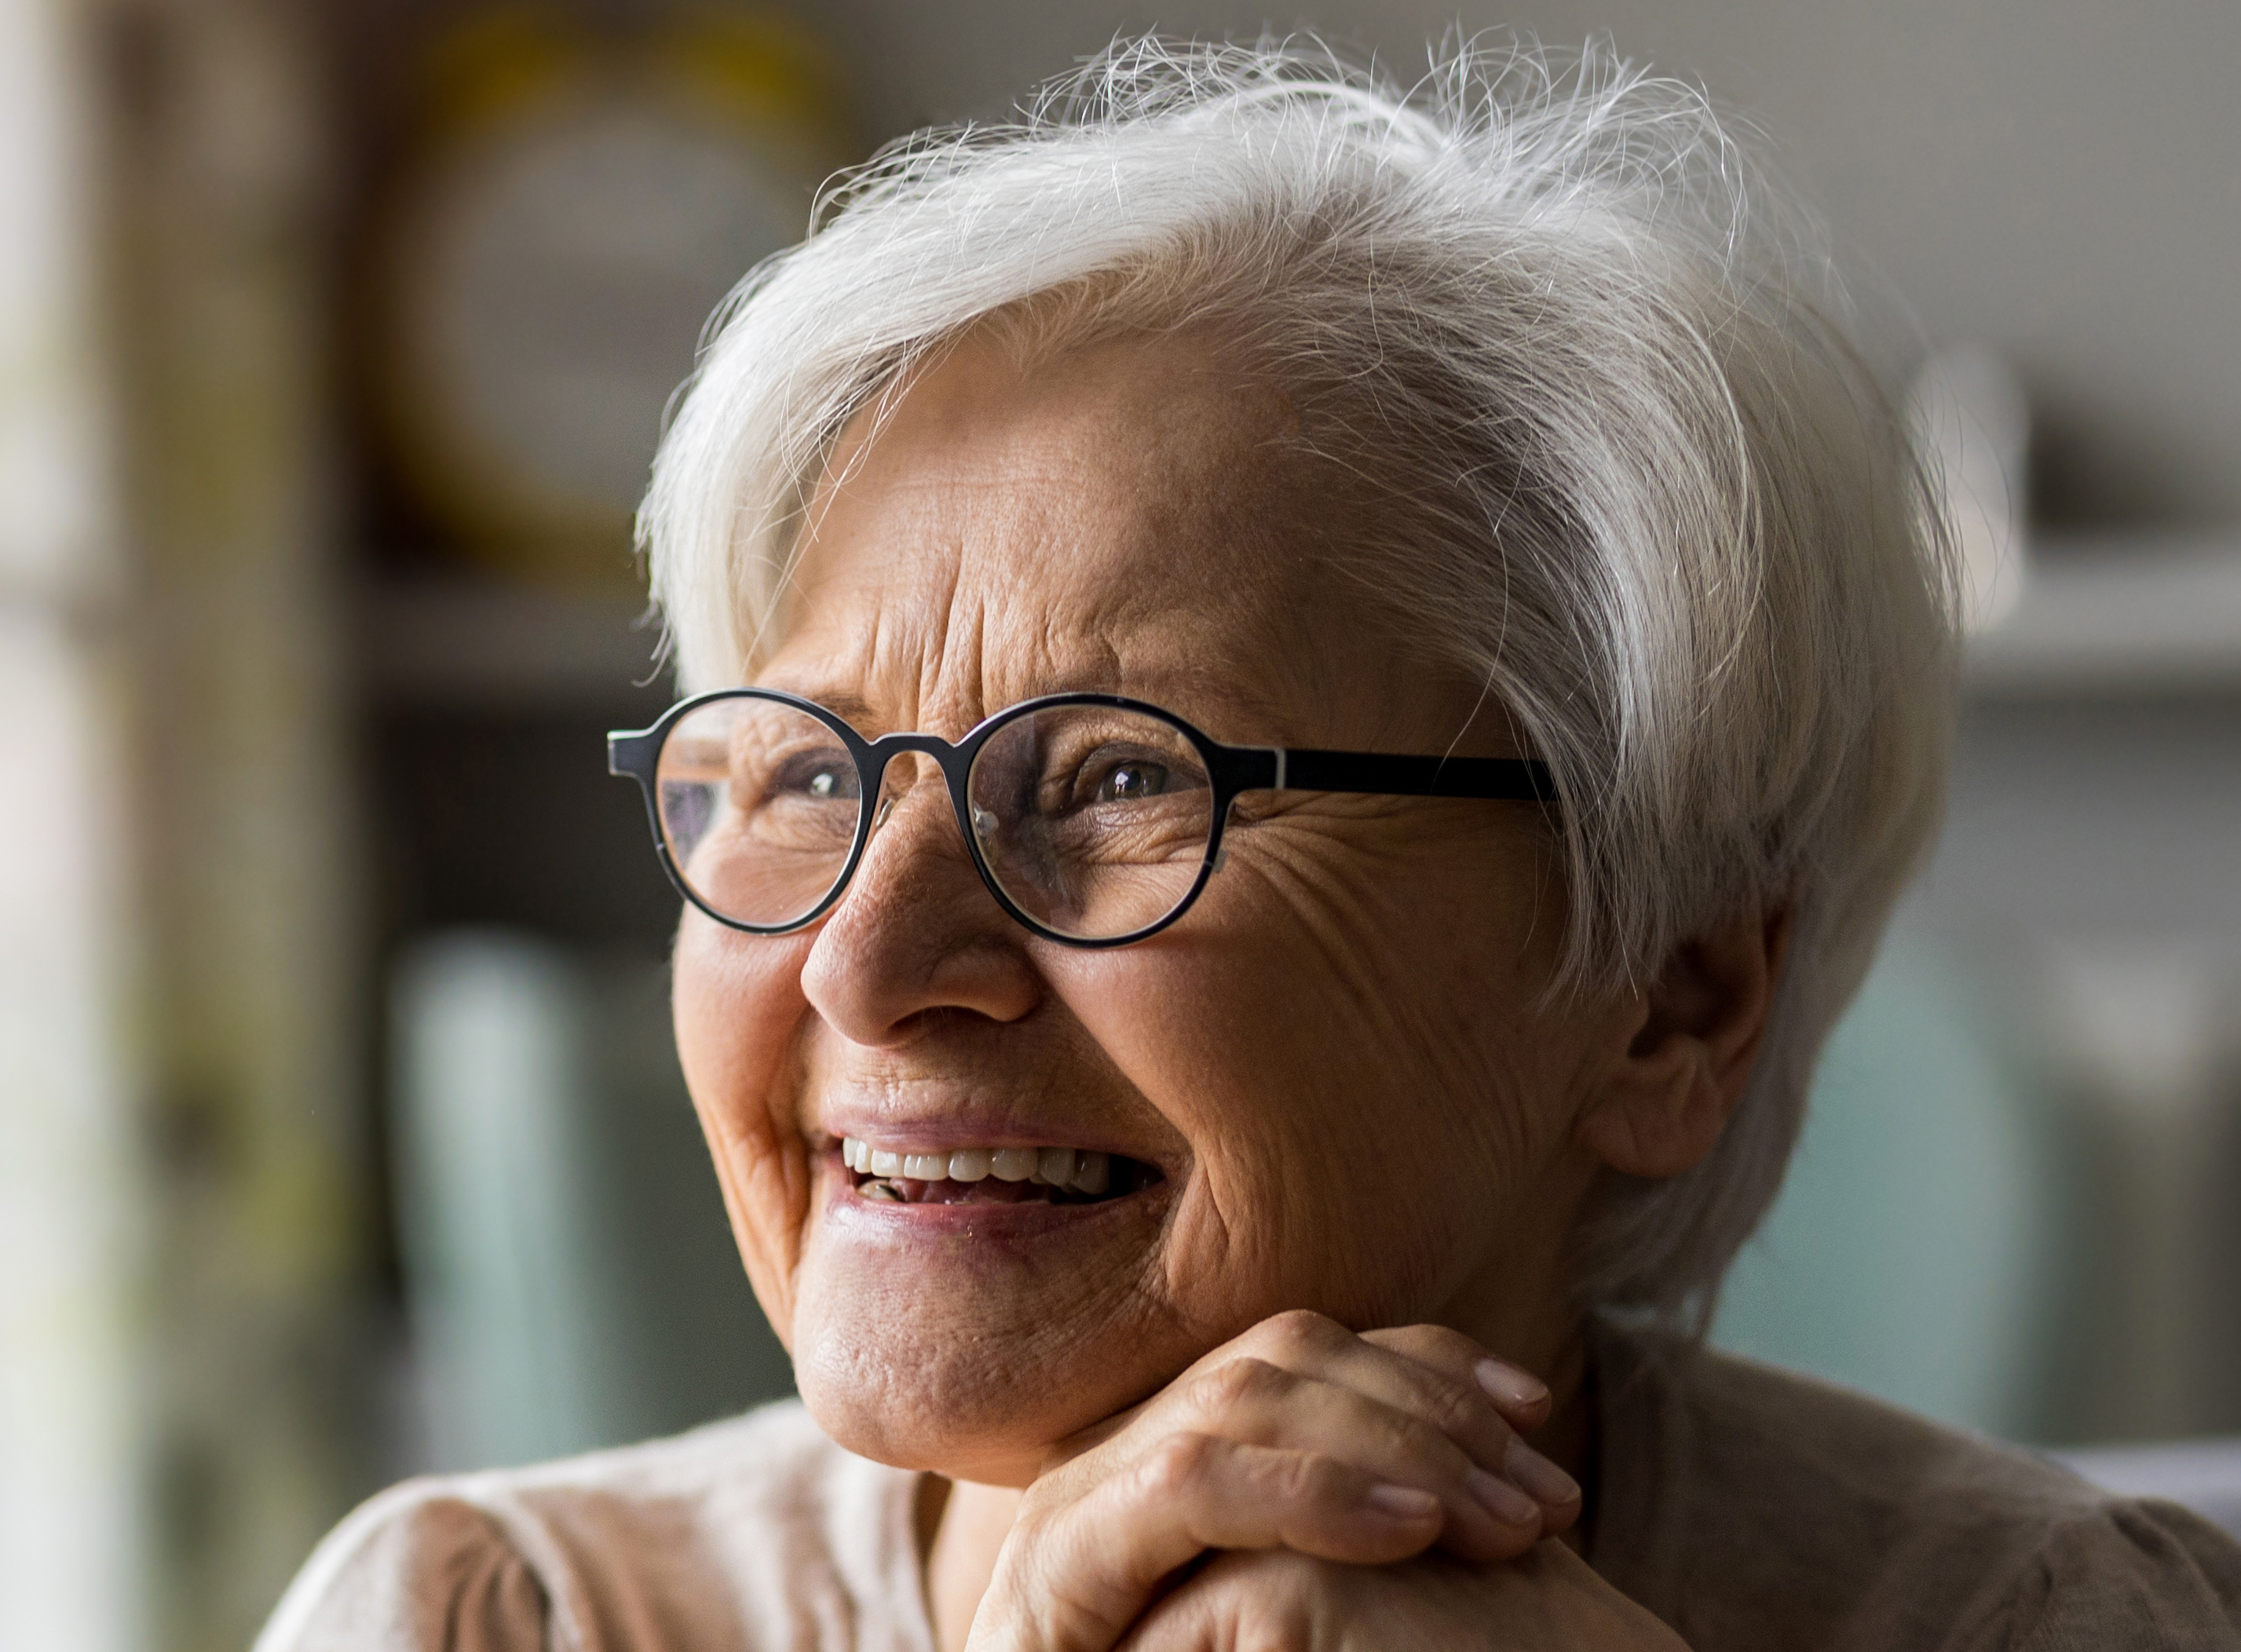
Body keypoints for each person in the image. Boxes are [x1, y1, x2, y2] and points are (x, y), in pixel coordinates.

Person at [261, 38, 2241, 1651]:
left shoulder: (2040, 1622)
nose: (865, 959)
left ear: (1668, 996)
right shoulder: (483, 1619)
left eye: (1120, 777)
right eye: (798, 772)